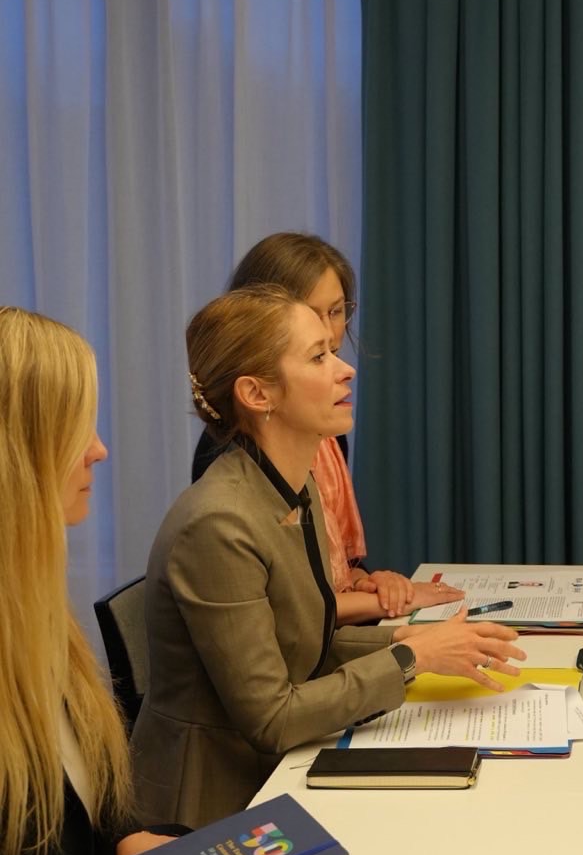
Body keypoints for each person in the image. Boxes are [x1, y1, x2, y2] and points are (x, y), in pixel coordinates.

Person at [132, 287, 527, 827]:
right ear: (257, 393)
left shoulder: (295, 488)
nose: (346, 370)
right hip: (212, 803)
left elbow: (306, 645)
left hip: (278, 770)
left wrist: (412, 639)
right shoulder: (218, 524)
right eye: (318, 357)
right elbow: (272, 717)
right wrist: (412, 657)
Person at [0, 308, 178, 855]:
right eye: (79, 430)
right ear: (21, 450)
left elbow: (80, 785)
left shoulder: (31, 603)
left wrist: (127, 836)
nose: (99, 450)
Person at [192, 232, 454, 622]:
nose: (331, 334)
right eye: (311, 315)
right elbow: (286, 611)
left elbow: (334, 571)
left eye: (336, 311)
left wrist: (370, 581)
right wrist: (401, 625)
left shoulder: (325, 429)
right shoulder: (228, 467)